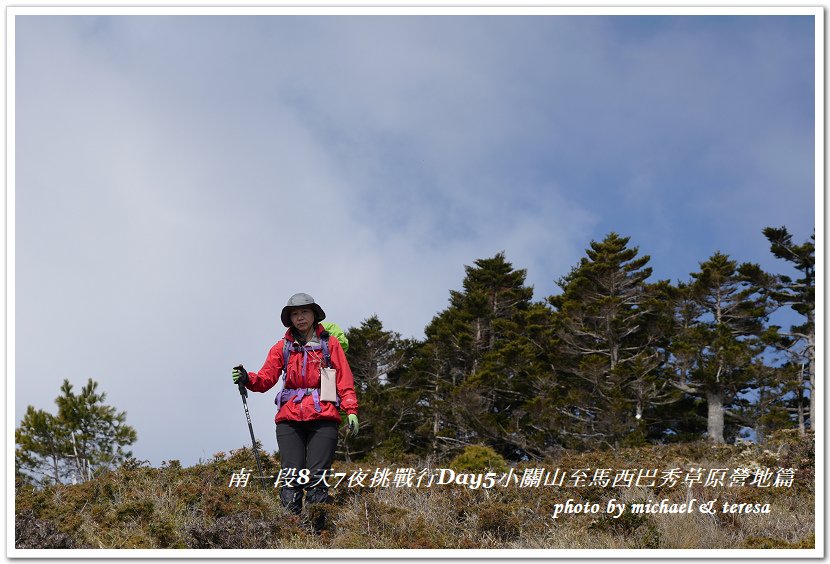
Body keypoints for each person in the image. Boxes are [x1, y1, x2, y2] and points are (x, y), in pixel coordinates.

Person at [232, 293, 359, 514]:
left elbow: (343, 379)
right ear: (289, 319)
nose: (300, 317)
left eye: (304, 312)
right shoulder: (282, 347)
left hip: (324, 415)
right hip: (289, 418)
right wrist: (247, 378)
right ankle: (291, 531)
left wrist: (351, 410)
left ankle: (316, 533)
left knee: (317, 476)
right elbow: (265, 379)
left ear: (314, 315)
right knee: (291, 477)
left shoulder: (330, 344)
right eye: (295, 314)